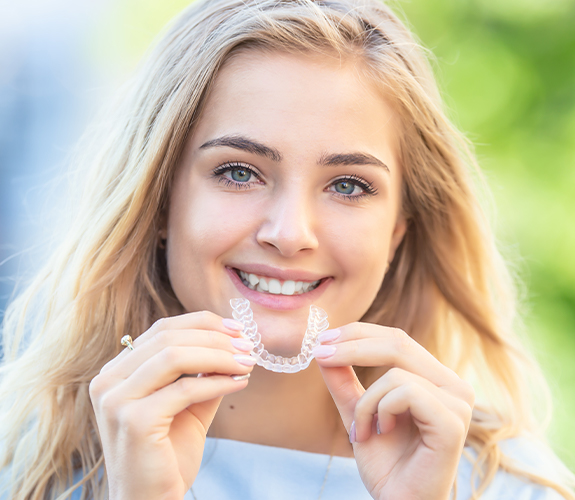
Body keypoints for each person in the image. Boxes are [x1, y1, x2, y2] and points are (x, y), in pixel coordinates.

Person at [0, 0, 574, 499]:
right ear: (158, 204)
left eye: (348, 185)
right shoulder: (25, 474)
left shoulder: (512, 487)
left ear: (399, 229)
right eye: (239, 172)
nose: (290, 232)